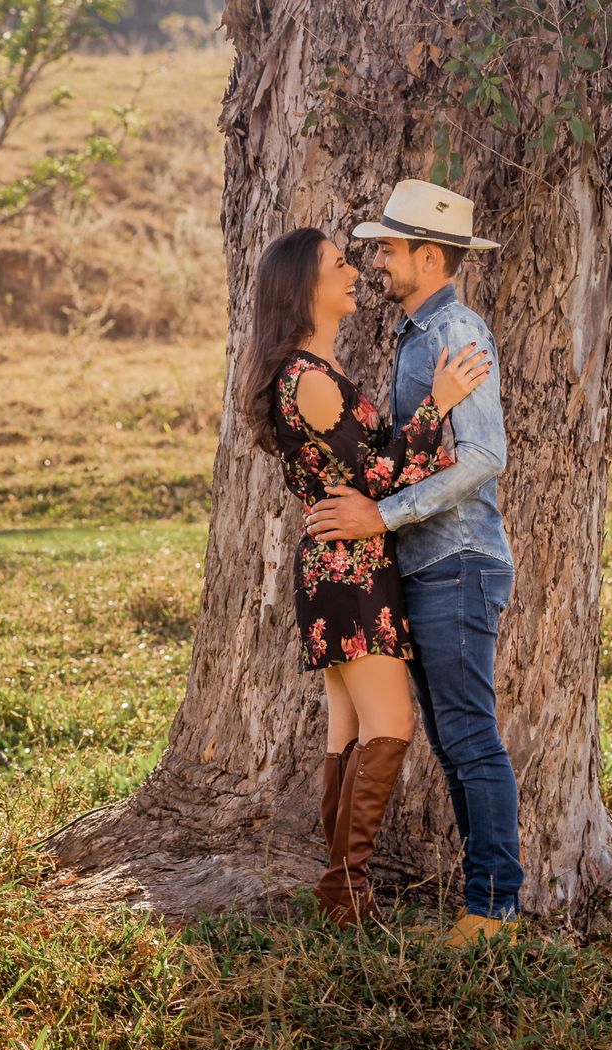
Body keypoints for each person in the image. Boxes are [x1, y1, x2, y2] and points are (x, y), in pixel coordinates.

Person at [241, 226, 491, 927]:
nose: (354, 271)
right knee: (393, 722)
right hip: (348, 568)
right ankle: (345, 890)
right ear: (303, 288)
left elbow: (372, 468)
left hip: (343, 563)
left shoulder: (314, 372)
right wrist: (439, 403)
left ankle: (341, 892)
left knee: (347, 732)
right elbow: (379, 478)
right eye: (338, 264)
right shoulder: (310, 382)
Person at [305, 179, 523, 947]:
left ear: (430, 257)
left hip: (458, 561)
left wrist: (382, 516)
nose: (377, 262)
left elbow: (484, 455)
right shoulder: (418, 334)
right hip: (429, 566)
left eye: (389, 250)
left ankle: (495, 908)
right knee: (455, 741)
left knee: (470, 739)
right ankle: (483, 903)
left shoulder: (454, 331)